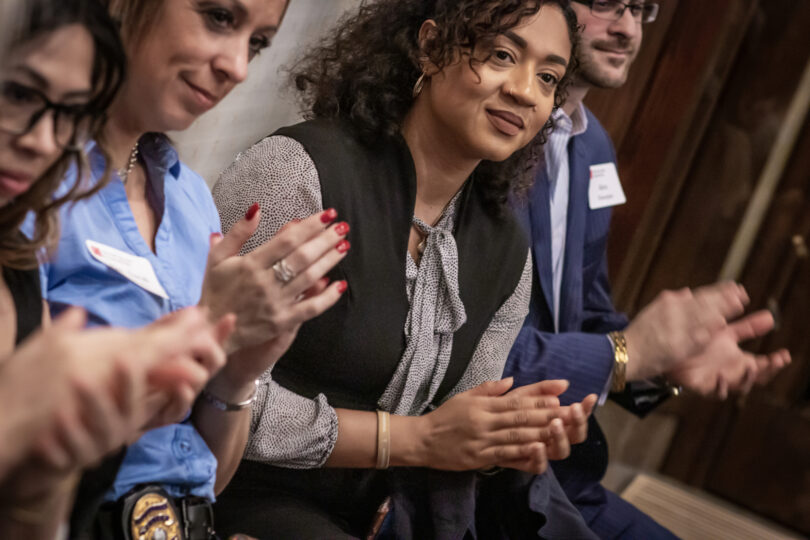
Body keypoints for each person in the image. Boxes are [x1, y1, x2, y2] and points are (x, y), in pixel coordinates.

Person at [211, 0, 599, 537]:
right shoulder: (298, 173)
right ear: (431, 47)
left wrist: (502, 441)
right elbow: (209, 390)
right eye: (502, 54)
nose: (524, 90)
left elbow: (455, 429)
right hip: (236, 496)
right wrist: (411, 439)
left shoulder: (508, 251)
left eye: (549, 76)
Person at [34, 0, 351, 537]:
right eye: (219, 17)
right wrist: (197, 333)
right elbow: (25, 445)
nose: (238, 66)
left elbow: (200, 481)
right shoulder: (28, 185)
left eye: (257, 43)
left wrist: (239, 371)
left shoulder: (188, 197)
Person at [503, 0, 792, 537]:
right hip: (485, 473)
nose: (627, 29)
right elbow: (470, 353)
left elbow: (587, 314)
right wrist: (627, 355)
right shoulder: (492, 131)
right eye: (607, 4)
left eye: (641, 9)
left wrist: (666, 362)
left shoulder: (593, 146)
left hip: (564, 473)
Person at [0, 1, 232, 538]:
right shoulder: (41, 225)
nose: (42, 140)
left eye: (70, 113)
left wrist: (237, 370)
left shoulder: (16, 246)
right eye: (17, 94)